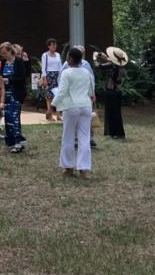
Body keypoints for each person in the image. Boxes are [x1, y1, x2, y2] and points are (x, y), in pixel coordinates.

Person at [52, 46, 95, 177]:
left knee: (68, 137)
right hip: (86, 107)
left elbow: (62, 91)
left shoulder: (66, 72)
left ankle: (68, 167)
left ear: (70, 59)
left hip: (71, 107)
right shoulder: (86, 72)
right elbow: (90, 92)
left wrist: (52, 105)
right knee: (84, 138)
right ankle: (84, 169)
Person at [0, 43, 28, 153]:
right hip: (6, 94)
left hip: (16, 94)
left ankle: (19, 142)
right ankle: (10, 141)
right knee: (8, 118)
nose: (3, 55)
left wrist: (8, 80)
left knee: (14, 118)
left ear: (11, 51)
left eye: (5, 53)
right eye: (2, 54)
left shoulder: (18, 61)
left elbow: (22, 77)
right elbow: (0, 76)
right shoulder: (3, 63)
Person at [101, 46, 127, 140]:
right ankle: (119, 133)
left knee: (111, 113)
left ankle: (114, 132)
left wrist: (96, 57)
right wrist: (107, 59)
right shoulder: (121, 66)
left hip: (111, 91)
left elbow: (99, 66)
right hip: (118, 92)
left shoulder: (111, 66)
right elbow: (113, 63)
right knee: (117, 113)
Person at [40, 38, 62, 121]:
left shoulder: (58, 55)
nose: (54, 46)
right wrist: (44, 78)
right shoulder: (45, 55)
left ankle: (58, 114)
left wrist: (61, 76)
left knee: (58, 95)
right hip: (49, 76)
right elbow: (43, 68)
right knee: (49, 96)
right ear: (48, 46)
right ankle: (50, 114)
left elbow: (60, 66)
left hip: (57, 76)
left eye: (55, 45)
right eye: (52, 45)